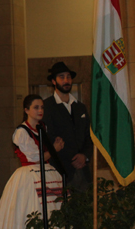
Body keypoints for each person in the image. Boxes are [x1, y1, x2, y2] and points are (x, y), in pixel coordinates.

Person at [0, 94, 64, 229]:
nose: (40, 110)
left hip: (47, 172)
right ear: (26, 110)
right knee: (30, 208)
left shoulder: (42, 127)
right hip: (29, 175)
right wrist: (54, 149)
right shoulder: (21, 132)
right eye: (36, 107)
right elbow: (35, 157)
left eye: (42, 107)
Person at [43, 61, 93, 191]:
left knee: (86, 208)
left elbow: (89, 136)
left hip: (84, 172)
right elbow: (49, 138)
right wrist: (73, 159)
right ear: (54, 81)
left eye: (69, 77)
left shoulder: (80, 107)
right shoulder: (47, 107)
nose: (66, 80)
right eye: (62, 77)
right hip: (61, 171)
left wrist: (84, 156)